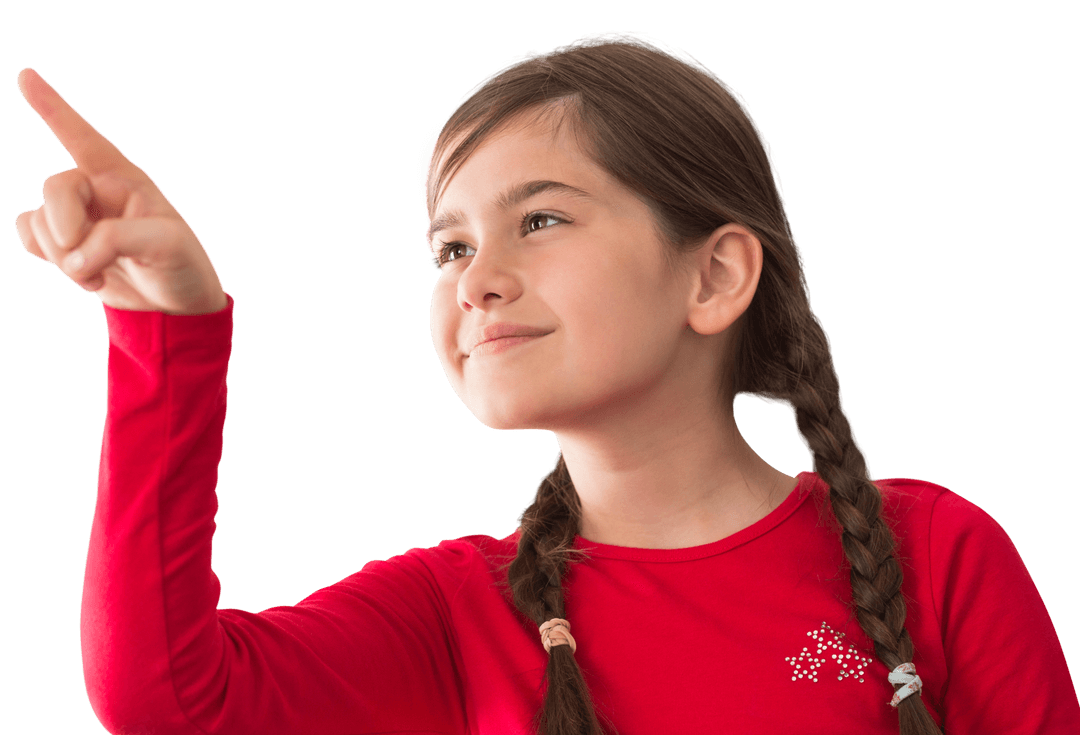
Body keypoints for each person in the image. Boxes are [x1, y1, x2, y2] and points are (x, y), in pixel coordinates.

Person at [14, 30, 1078, 735]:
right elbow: (161, 697)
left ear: (714, 275)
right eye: (449, 248)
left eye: (541, 220)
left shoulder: (937, 558)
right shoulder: (448, 613)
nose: (478, 281)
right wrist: (166, 328)